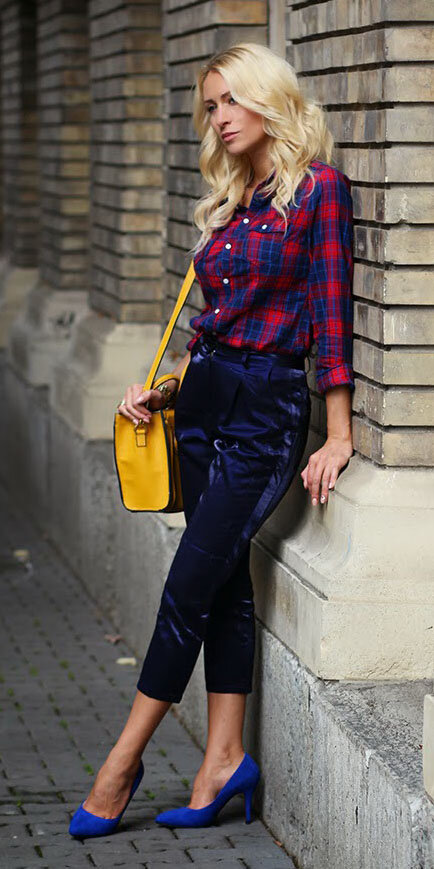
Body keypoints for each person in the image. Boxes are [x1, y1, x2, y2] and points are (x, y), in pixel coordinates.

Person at [69, 41, 355, 838]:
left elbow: (330, 317)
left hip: (265, 411)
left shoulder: (318, 193)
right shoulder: (236, 200)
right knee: (224, 583)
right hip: (202, 404)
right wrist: (161, 390)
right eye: (210, 106)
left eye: (229, 100)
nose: (218, 118)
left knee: (186, 587)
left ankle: (121, 760)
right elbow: (210, 328)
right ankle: (224, 758)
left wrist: (337, 432)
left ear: (268, 99)